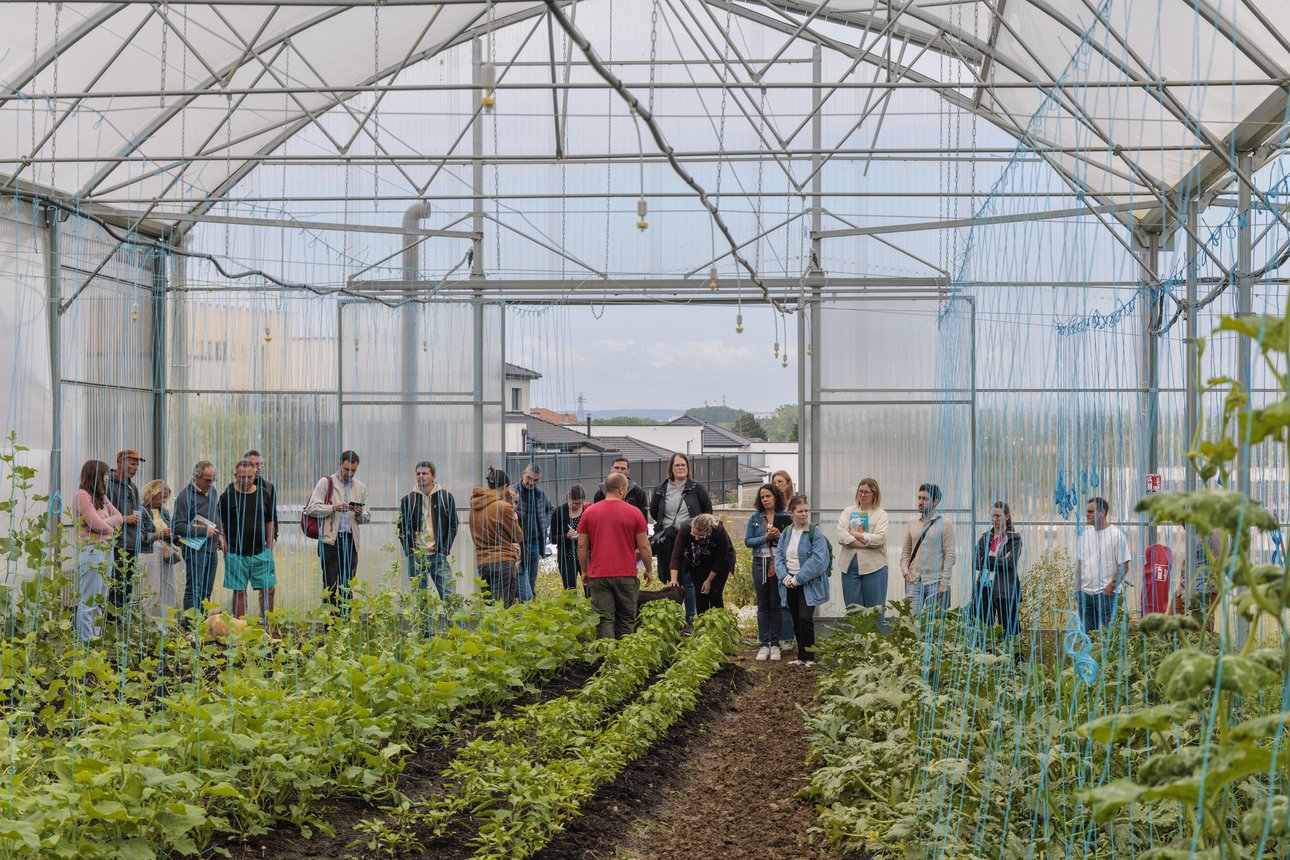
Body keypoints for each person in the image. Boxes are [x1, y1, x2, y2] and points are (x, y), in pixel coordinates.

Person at [578, 472, 653, 639]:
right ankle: (623, 659)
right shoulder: (634, 513)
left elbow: (582, 545)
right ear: (621, 490)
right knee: (626, 619)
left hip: (599, 575)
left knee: (604, 620)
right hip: (626, 574)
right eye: (626, 489)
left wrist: (584, 571)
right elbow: (644, 545)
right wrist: (649, 569)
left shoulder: (589, 512)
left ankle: (607, 658)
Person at [649, 452, 713, 625]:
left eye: (683, 465)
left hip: (690, 539)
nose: (680, 468)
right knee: (670, 578)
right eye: (677, 465)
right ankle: (673, 619)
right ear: (671, 468)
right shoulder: (661, 489)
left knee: (687, 579)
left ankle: (690, 620)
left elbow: (707, 511)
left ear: (688, 467)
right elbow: (654, 511)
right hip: (668, 539)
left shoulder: (696, 488)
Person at [304, 451, 369, 610]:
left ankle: (345, 626)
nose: (349, 473)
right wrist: (334, 508)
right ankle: (330, 628)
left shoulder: (360, 488)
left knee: (347, 586)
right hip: (330, 542)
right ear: (340, 464)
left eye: (353, 470)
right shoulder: (326, 483)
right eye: (346, 469)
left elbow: (367, 516)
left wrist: (361, 515)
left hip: (350, 542)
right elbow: (311, 508)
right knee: (330, 586)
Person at [774, 495, 831, 666]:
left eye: (806, 510)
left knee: (806, 618)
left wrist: (798, 579)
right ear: (791, 512)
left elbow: (819, 560)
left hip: (807, 583)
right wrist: (785, 577)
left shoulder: (815, 532)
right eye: (800, 511)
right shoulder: (786, 533)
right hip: (789, 582)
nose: (804, 514)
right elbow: (779, 557)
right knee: (796, 619)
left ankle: (810, 657)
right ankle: (801, 656)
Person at [70, 460, 123, 642]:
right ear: (96, 475)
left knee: (101, 597)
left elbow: (120, 517)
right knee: (89, 599)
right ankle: (85, 642)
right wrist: (108, 525)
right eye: (105, 473)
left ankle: (96, 638)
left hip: (105, 550)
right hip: (92, 551)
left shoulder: (101, 497)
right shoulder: (82, 496)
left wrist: (104, 525)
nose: (107, 477)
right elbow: (96, 524)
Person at [397, 461, 460, 612]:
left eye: (425, 474)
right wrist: (410, 552)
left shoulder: (445, 497)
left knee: (450, 596)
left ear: (433, 476)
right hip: (417, 557)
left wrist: (444, 550)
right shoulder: (408, 500)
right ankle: (426, 635)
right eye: (418, 473)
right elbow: (401, 528)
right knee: (421, 600)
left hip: (438, 555)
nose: (421, 477)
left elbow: (453, 525)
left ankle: (457, 633)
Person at [219, 459, 276, 619]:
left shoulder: (264, 494)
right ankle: (240, 630)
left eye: (249, 477)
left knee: (268, 590)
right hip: (236, 553)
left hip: (261, 552)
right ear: (235, 475)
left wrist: (269, 547)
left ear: (255, 475)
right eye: (241, 477)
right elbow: (221, 524)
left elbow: (270, 522)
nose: (245, 481)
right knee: (239, 591)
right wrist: (225, 547)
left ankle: (267, 627)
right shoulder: (227, 496)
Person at [173, 460, 225, 621]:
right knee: (194, 589)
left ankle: (201, 625)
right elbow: (178, 526)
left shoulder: (213, 492)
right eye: (207, 480)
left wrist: (220, 535)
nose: (210, 484)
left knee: (206, 591)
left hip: (211, 549)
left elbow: (217, 515)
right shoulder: (185, 496)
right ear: (196, 477)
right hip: (195, 550)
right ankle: (190, 626)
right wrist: (204, 531)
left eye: (212, 480)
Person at [838, 478, 890, 624]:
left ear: (874, 494)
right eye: (860, 491)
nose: (862, 495)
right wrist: (865, 543)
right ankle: (857, 645)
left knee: (875, 610)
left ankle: (877, 644)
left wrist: (857, 535)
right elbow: (841, 535)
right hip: (849, 569)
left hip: (875, 568)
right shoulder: (848, 512)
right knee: (853, 611)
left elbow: (880, 538)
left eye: (866, 492)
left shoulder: (881, 514)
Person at [745, 483, 788, 660]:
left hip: (778, 563)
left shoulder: (785, 517)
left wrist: (780, 535)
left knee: (776, 604)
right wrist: (766, 537)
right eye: (762, 497)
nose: (765, 499)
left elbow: (791, 541)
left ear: (775, 497)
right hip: (759, 563)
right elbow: (748, 541)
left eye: (768, 496)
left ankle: (775, 644)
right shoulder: (755, 517)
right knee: (762, 604)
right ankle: (764, 644)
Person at [1076, 496, 1131, 633]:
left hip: (1106, 596)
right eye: (1086, 511)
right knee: (1088, 637)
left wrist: (1109, 588)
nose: (1086, 515)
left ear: (1102, 513)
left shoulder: (1116, 536)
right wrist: (1078, 589)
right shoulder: (1085, 536)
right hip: (1085, 595)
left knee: (1107, 637)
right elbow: (1080, 564)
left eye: (1090, 512)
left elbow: (1124, 565)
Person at [900, 483, 957, 614]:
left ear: (935, 501)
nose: (920, 502)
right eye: (919, 498)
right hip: (913, 580)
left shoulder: (945, 524)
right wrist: (905, 572)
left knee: (934, 625)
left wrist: (945, 582)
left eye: (925, 499)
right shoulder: (912, 522)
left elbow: (950, 555)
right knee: (911, 622)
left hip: (936, 582)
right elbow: (906, 551)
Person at [469, 467, 523, 607]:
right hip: (503, 561)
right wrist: (511, 506)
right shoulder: (503, 507)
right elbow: (517, 536)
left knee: (488, 606)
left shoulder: (475, 506)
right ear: (506, 486)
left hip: (483, 561)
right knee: (502, 607)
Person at [104, 449, 145, 623]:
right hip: (117, 544)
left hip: (131, 544)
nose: (135, 468)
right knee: (116, 586)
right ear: (120, 462)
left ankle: (119, 624)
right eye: (132, 464)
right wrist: (125, 518)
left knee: (127, 588)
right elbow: (103, 513)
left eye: (137, 465)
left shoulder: (132, 487)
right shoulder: (108, 485)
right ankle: (110, 624)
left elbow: (137, 514)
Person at [973, 501, 1022, 639]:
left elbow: (1011, 563)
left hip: (1005, 591)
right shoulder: (985, 537)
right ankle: (986, 658)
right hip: (984, 589)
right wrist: (999, 560)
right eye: (992, 516)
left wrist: (987, 559)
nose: (994, 519)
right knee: (983, 630)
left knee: (1009, 630)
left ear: (1007, 517)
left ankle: (1015, 660)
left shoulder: (1014, 538)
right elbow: (975, 562)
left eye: (998, 516)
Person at [669, 513, 734, 616]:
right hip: (698, 560)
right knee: (700, 593)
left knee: (715, 594)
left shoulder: (719, 531)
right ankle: (702, 626)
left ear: (708, 531)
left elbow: (720, 559)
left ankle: (718, 625)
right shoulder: (685, 528)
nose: (696, 538)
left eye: (700, 536)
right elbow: (676, 556)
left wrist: (708, 580)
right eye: (694, 534)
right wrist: (673, 579)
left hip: (720, 563)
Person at [137, 479, 180, 625]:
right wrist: (157, 535)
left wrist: (173, 535)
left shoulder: (164, 512)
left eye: (166, 497)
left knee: (170, 588)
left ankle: (167, 626)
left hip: (165, 551)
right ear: (151, 494)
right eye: (161, 496)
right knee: (152, 590)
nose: (163, 500)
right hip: (150, 551)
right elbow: (139, 538)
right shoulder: (141, 511)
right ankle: (150, 627)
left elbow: (171, 530)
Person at [512, 464, 555, 602]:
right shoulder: (513, 491)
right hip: (519, 543)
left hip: (535, 542)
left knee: (531, 578)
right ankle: (519, 603)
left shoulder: (539, 494)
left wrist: (544, 523)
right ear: (523, 473)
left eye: (535, 480)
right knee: (517, 576)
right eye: (529, 478)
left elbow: (551, 509)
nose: (531, 482)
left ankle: (529, 606)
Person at [771, 469, 797, 646]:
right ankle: (773, 635)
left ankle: (787, 636)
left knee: (786, 597)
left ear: (788, 483)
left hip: (791, 556)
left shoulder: (792, 506)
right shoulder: (770, 506)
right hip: (772, 554)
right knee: (773, 598)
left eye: (780, 481)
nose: (777, 485)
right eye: (774, 481)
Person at [549, 484, 587, 591]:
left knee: (590, 589)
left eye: (580, 503)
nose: (578, 506)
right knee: (570, 590)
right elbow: (552, 538)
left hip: (585, 556)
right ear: (568, 499)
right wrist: (566, 536)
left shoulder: (587, 511)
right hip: (567, 558)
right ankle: (571, 608)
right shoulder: (559, 512)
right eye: (575, 503)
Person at [245, 449, 278, 553]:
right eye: (254, 464)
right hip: (239, 545)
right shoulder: (234, 488)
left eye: (260, 464)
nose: (258, 468)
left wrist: (274, 538)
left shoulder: (269, 488)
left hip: (263, 544)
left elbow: (273, 516)